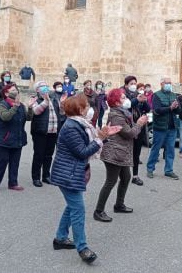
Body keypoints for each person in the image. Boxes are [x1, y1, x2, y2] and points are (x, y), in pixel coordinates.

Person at [50, 93, 121, 264]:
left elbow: (90, 144)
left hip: (73, 172)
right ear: (80, 109)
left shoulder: (80, 124)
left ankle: (60, 238)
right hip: (68, 175)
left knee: (72, 206)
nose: (89, 109)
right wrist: (100, 139)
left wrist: (104, 137)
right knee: (78, 210)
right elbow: (82, 152)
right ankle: (82, 247)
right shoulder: (71, 127)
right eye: (87, 106)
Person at [93, 89, 148, 222]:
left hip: (120, 152)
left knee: (126, 177)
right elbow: (129, 133)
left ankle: (119, 204)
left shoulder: (122, 113)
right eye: (123, 98)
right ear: (117, 102)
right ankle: (98, 211)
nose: (126, 100)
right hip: (114, 152)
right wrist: (139, 124)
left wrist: (137, 124)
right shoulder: (117, 116)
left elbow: (128, 129)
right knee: (110, 181)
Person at [0, 84, 34, 194]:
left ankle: (13, 183)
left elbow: (28, 118)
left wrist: (30, 107)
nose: (16, 91)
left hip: (18, 138)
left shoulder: (21, 105)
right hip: (3, 139)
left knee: (15, 162)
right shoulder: (2, 104)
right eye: (13, 90)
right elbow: (6, 117)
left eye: (16, 89)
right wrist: (15, 106)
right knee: (1, 162)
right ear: (7, 93)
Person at [146, 76, 181, 180]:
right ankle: (150, 169)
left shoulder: (174, 95)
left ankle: (169, 170)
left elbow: (179, 111)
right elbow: (157, 110)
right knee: (156, 149)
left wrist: (177, 107)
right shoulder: (156, 95)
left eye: (170, 83)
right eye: (167, 83)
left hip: (172, 127)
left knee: (170, 150)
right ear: (161, 84)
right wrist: (170, 108)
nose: (169, 84)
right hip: (160, 127)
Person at [31, 81, 64, 187]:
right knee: (38, 155)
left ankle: (46, 176)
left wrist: (62, 105)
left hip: (53, 132)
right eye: (42, 86)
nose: (45, 87)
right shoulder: (35, 100)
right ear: (37, 90)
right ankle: (36, 177)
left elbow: (62, 113)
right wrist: (45, 101)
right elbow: (36, 111)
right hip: (40, 132)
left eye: (46, 85)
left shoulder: (54, 99)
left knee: (48, 155)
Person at [131, 83, 150, 185]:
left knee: (136, 153)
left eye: (143, 89)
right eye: (140, 88)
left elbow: (147, 109)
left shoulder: (142, 100)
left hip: (140, 128)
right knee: (127, 152)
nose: (142, 90)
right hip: (130, 128)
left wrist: (144, 100)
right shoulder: (131, 97)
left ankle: (135, 175)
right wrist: (137, 99)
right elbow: (129, 105)